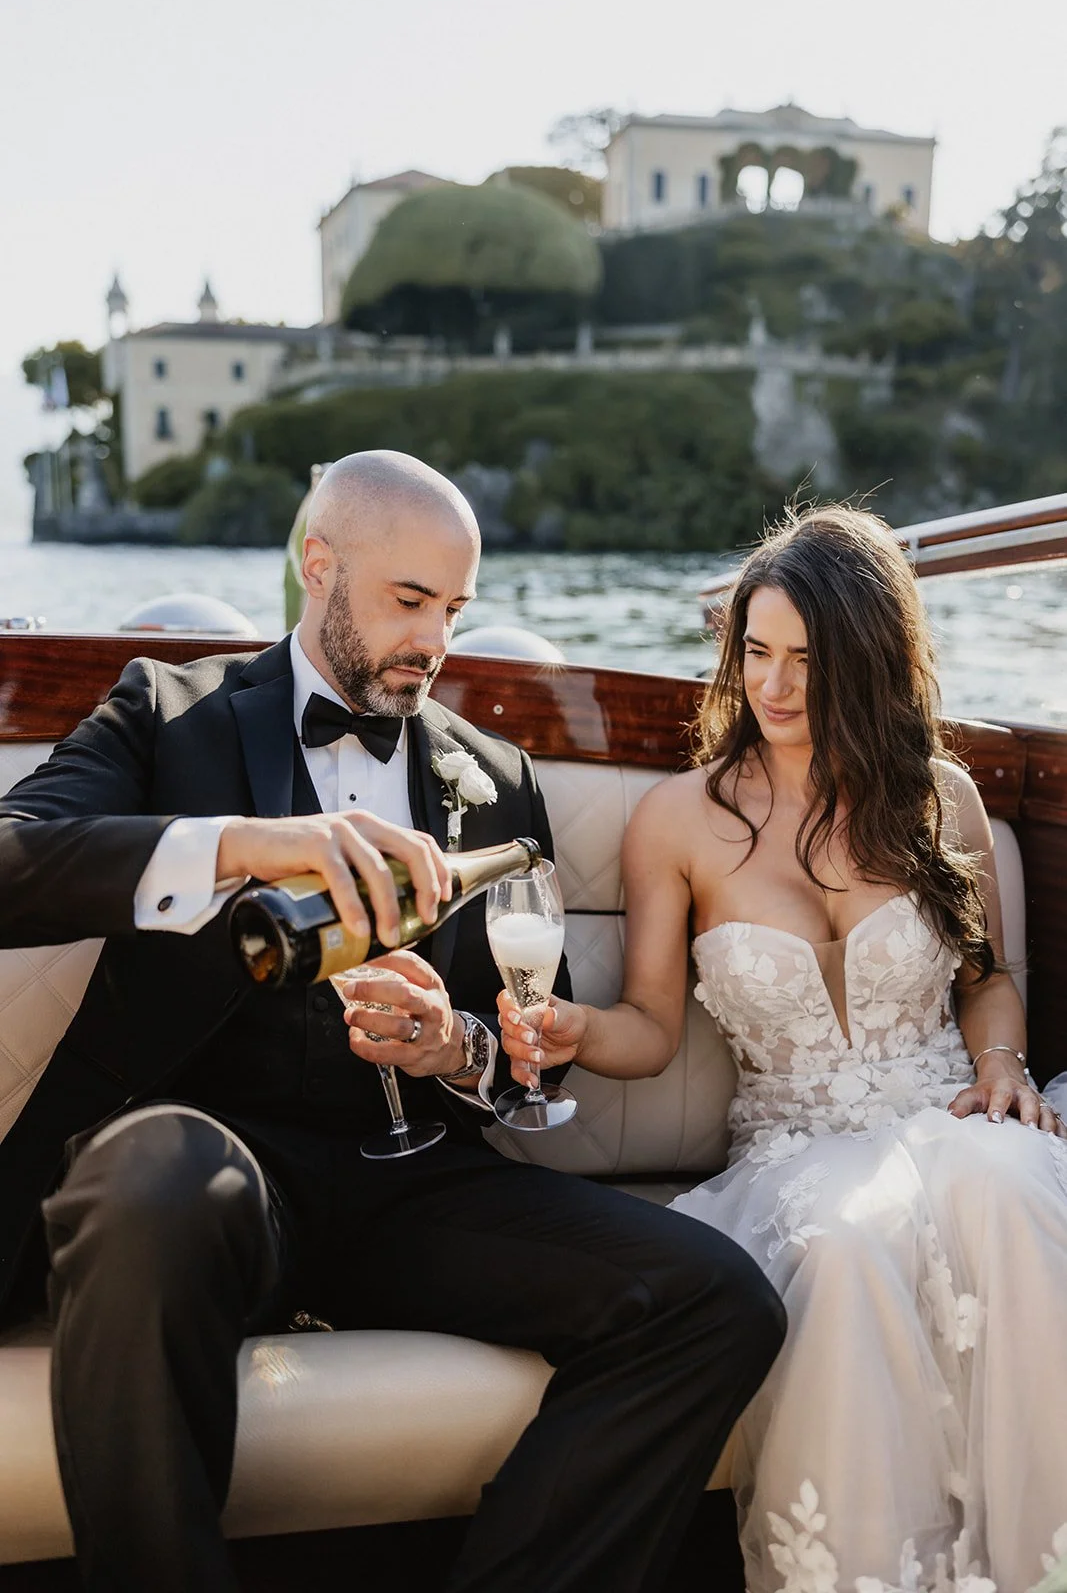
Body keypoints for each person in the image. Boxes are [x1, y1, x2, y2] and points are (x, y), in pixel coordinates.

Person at [0, 450, 785, 1593]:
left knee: (719, 1303)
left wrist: (453, 1045)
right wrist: (249, 844)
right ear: (318, 565)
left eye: (454, 609)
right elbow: (12, 860)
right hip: (208, 1170)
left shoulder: (494, 774)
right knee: (149, 1175)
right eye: (409, 600)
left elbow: (529, 1056)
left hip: (411, 1184)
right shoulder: (167, 711)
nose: (433, 641)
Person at [499, 504, 1067, 1593]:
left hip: (947, 1116)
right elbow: (649, 1026)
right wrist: (572, 1030)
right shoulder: (677, 819)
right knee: (845, 1249)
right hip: (799, 1151)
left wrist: (1001, 1065)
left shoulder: (937, 797)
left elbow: (985, 982)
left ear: (868, 658)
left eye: (806, 658)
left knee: (1005, 1187)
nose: (772, 683)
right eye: (755, 652)